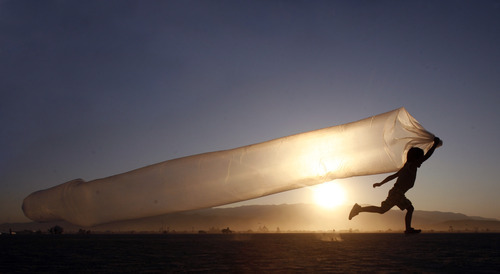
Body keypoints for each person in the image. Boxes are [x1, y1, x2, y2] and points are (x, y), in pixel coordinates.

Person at [348, 136, 442, 234]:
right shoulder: (411, 166)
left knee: (382, 210)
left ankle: (359, 209)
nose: (421, 162)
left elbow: (393, 176)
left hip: (396, 192)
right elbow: (426, 156)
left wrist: (380, 183)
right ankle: (408, 229)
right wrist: (434, 144)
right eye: (420, 158)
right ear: (416, 158)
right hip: (397, 193)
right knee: (409, 208)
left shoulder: (406, 166)